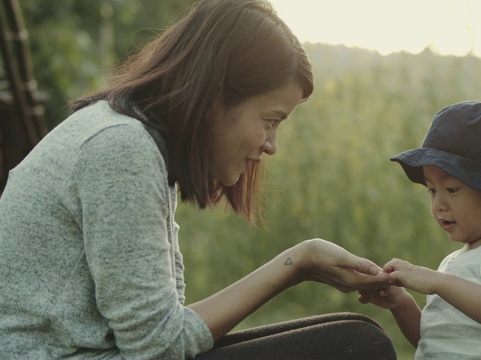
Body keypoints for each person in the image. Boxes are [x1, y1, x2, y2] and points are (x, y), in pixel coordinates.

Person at [0, 0, 397, 359]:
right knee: (356, 347)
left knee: (355, 334)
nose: (272, 145)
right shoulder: (120, 148)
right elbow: (160, 347)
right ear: (215, 97)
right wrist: (296, 264)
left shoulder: (137, 142)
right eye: (269, 120)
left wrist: (302, 262)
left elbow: (161, 333)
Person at [359, 101, 481, 359]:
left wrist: (437, 281)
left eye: (452, 189)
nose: (438, 205)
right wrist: (402, 303)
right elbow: (435, 342)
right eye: (432, 190)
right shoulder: (455, 262)